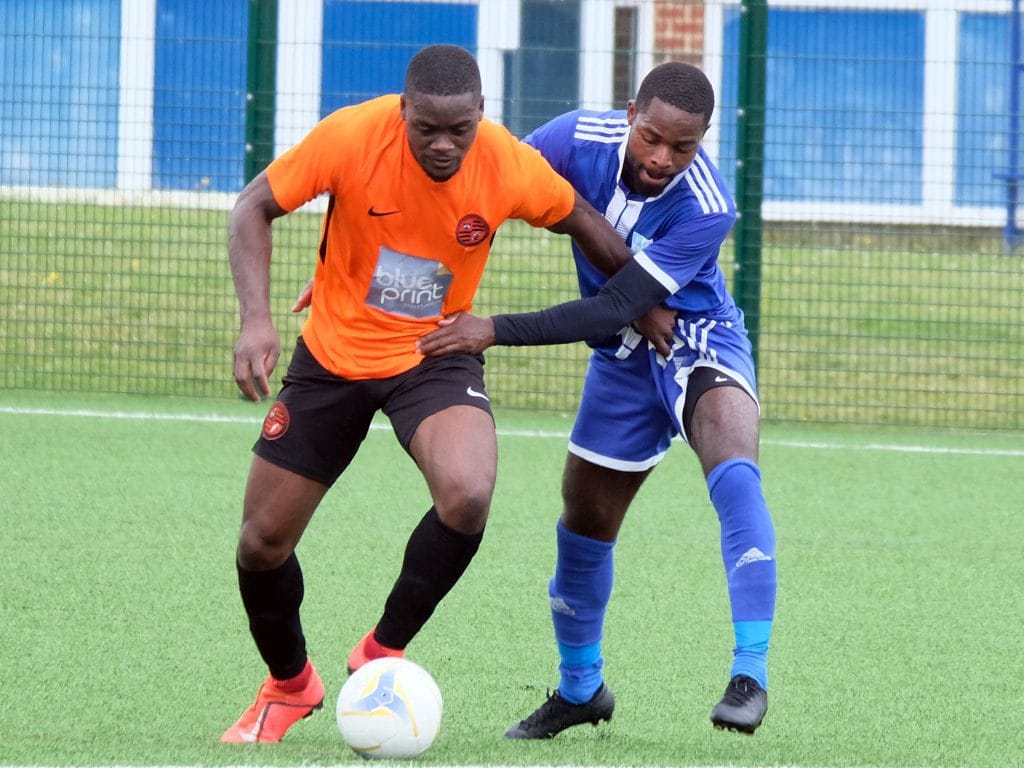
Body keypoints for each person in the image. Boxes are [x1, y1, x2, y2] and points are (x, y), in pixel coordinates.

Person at [220, 43, 637, 744]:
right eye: (427, 129)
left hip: (433, 356)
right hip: (332, 357)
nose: (444, 145)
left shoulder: (505, 161)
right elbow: (253, 207)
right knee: (261, 543)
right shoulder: (351, 137)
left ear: (481, 115)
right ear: (402, 110)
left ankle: (381, 652)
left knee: (468, 492)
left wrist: (648, 303)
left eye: (460, 130)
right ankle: (290, 684)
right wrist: (256, 319)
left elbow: (588, 226)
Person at [417, 61, 777, 737]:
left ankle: (749, 674)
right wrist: (392, 276)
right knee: (583, 520)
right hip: (619, 357)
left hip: (694, 338)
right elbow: (482, 197)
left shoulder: (708, 205)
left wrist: (492, 330)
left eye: (683, 147)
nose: (662, 159)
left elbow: (619, 301)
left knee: (734, 467)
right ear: (630, 111)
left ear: (703, 141)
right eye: (651, 138)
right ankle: (581, 689)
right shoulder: (571, 138)